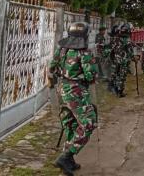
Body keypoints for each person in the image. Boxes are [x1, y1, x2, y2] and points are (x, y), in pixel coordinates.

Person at [49, 22, 97, 176]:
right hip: (77, 91)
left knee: (70, 124)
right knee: (89, 122)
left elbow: (52, 69)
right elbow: (91, 76)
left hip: (61, 89)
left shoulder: (61, 49)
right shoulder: (84, 52)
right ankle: (66, 156)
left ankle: (69, 162)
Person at [109, 23, 134, 97]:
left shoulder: (115, 39)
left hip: (116, 60)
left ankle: (114, 88)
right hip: (124, 61)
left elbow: (111, 50)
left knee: (116, 74)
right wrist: (133, 58)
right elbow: (130, 52)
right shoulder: (128, 40)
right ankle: (120, 91)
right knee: (122, 76)